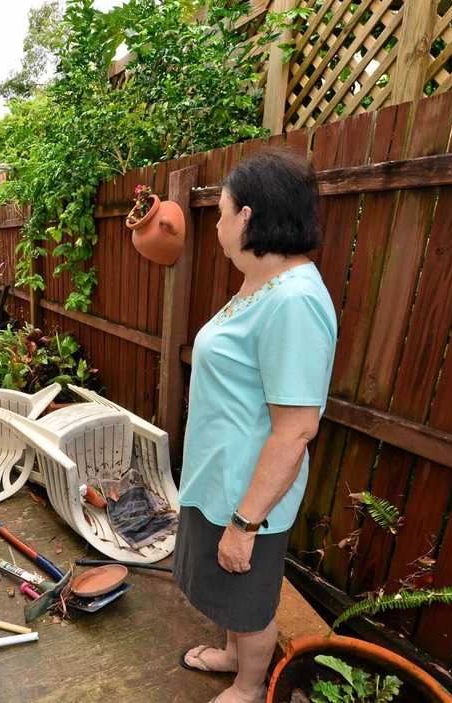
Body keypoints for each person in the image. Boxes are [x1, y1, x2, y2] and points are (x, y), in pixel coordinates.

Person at [173, 149, 338, 703]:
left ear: (247, 217)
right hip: (219, 478)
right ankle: (229, 654)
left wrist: (245, 523)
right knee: (226, 590)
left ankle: (249, 686)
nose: (217, 226)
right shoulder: (261, 282)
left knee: (249, 597)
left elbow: (295, 429)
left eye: (221, 214)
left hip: (249, 495)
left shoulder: (295, 301)